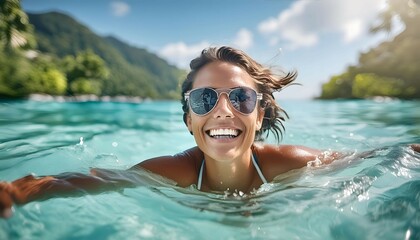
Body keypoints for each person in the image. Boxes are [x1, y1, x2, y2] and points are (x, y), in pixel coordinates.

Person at [1, 46, 419, 218]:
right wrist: (18, 192)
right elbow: (91, 181)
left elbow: (383, 156)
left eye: (240, 98)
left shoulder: (287, 163)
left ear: (259, 116)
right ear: (188, 120)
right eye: (204, 100)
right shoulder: (175, 171)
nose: (222, 111)